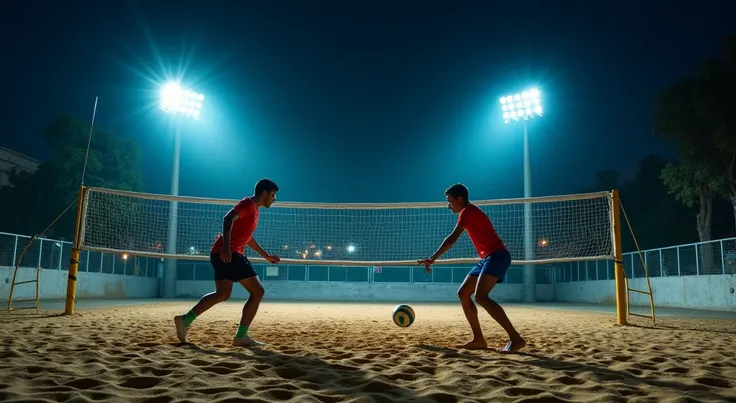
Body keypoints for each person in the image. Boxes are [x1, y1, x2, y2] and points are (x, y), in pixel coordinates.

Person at [418, 183, 526, 353]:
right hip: (487, 258)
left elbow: (452, 239)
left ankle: (516, 339)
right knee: (463, 293)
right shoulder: (469, 212)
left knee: (481, 297)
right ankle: (478, 339)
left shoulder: (467, 212)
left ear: (459, 199)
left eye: (450, 201)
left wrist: (432, 258)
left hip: (497, 255)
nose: (448, 205)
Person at [174, 178, 281, 347]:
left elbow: (247, 238)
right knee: (258, 292)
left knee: (222, 294)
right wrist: (226, 247)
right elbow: (227, 218)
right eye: (273, 195)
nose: (274, 199)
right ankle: (241, 336)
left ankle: (185, 319)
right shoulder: (248, 204)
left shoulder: (254, 210)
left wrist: (265, 255)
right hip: (229, 254)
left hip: (221, 254)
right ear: (265, 193)